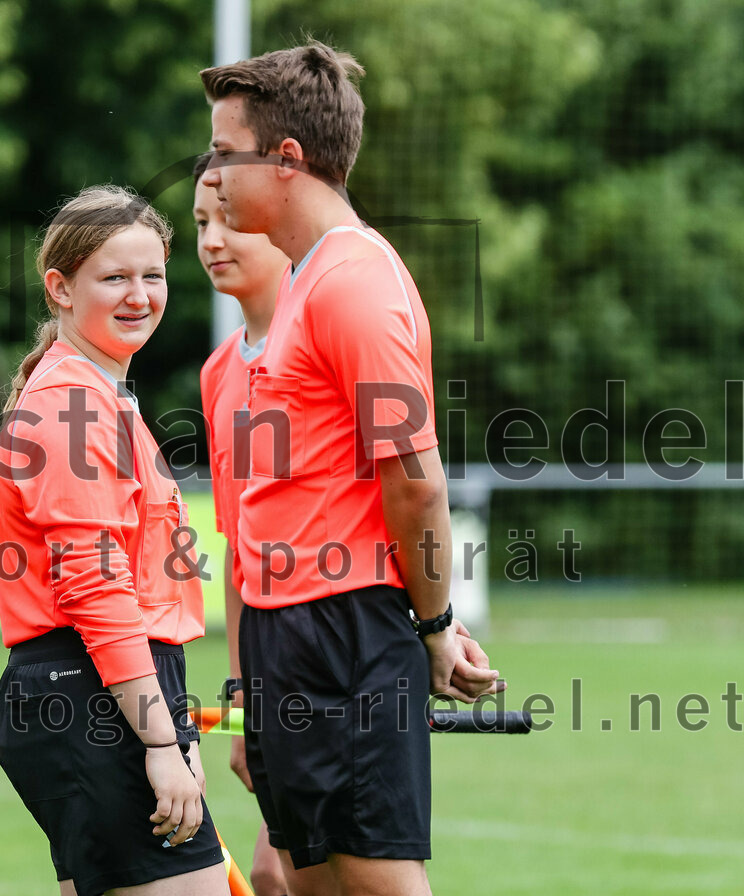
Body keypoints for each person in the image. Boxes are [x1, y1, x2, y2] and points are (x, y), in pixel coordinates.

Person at [199, 43, 505, 896]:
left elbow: (415, 477)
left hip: (346, 627)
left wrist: (435, 623)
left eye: (228, 155)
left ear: (288, 160)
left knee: (375, 880)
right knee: (308, 880)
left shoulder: (354, 281)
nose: (215, 179)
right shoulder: (304, 283)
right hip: (285, 631)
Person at [0, 186, 229, 896]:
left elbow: (145, 597)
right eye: (114, 277)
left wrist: (180, 731)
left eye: (153, 275)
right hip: (87, 697)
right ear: (60, 288)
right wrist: (158, 741)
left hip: (110, 695)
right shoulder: (74, 404)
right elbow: (95, 589)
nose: (140, 295)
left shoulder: (102, 396)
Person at [193, 153, 296, 896]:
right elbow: (238, 545)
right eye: (200, 222)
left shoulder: (325, 335)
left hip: (345, 648)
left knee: (277, 867)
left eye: (229, 219)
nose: (211, 239)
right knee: (271, 872)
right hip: (272, 657)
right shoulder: (218, 370)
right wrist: (241, 688)